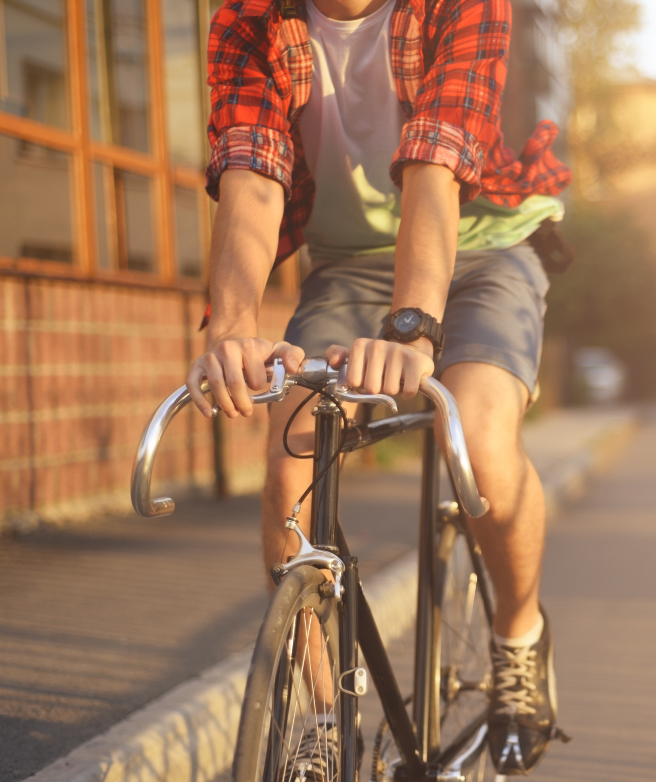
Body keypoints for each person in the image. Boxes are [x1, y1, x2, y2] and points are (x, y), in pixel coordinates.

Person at [186, 0, 572, 774]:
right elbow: (253, 176)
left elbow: (436, 163)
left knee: (483, 438)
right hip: (350, 260)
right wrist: (229, 328)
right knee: (287, 463)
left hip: (487, 241)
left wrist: (412, 330)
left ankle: (521, 639)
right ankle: (324, 727)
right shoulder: (250, 19)